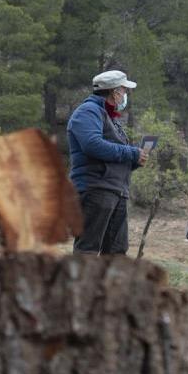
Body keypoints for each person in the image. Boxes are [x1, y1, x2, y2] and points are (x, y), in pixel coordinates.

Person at [66, 70, 148, 255]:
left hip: (116, 190)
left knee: (117, 251)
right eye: (124, 90)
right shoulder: (87, 111)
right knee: (88, 249)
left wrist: (135, 160)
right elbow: (92, 145)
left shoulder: (109, 116)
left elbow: (114, 156)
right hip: (96, 189)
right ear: (115, 91)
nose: (125, 95)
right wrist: (131, 153)